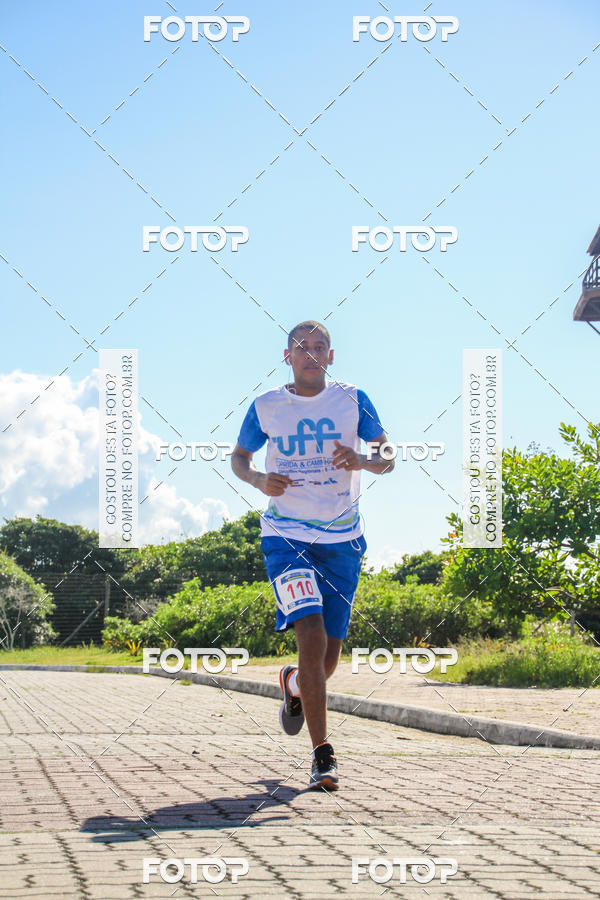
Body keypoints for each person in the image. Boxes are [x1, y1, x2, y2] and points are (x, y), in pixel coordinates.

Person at [231, 320, 393, 790]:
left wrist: (361, 459)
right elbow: (239, 458)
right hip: (285, 536)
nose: (311, 354)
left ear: (331, 356)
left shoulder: (353, 399)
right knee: (312, 636)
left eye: (319, 346)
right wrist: (260, 480)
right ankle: (324, 755)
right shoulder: (267, 406)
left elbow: (388, 456)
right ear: (288, 357)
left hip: (342, 540)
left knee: (327, 660)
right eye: (302, 347)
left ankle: (296, 685)